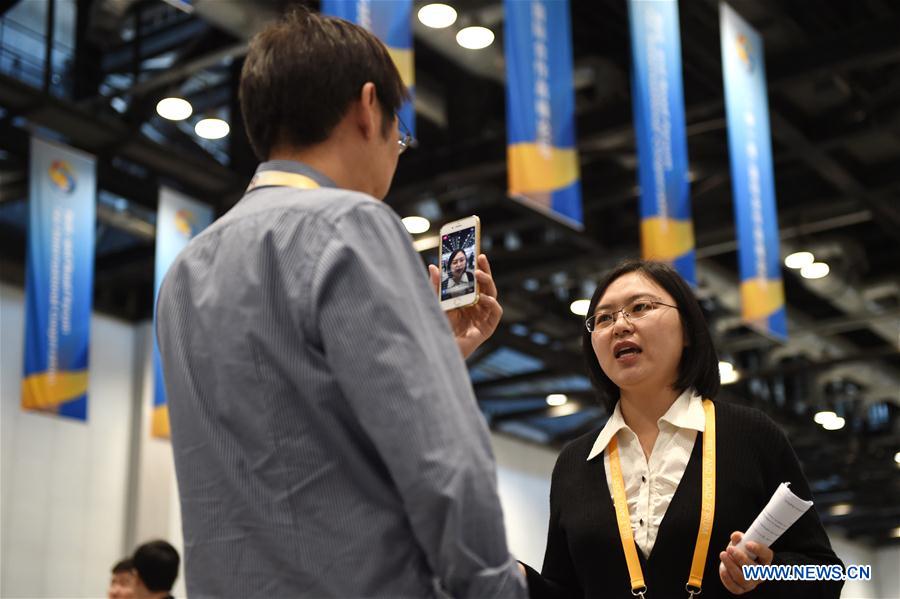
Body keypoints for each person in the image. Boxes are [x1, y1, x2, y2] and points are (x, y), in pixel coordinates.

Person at [155, 7, 525, 599]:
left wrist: (438, 355)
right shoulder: (352, 224)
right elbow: (445, 465)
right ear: (367, 106)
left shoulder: (183, 270)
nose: (397, 151)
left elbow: (291, 445)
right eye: (399, 133)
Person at [520, 260, 843, 598]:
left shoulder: (751, 435)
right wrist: (510, 573)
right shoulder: (575, 461)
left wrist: (770, 571)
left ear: (688, 330)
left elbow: (826, 573)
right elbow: (564, 591)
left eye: (640, 307)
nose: (620, 325)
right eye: (604, 317)